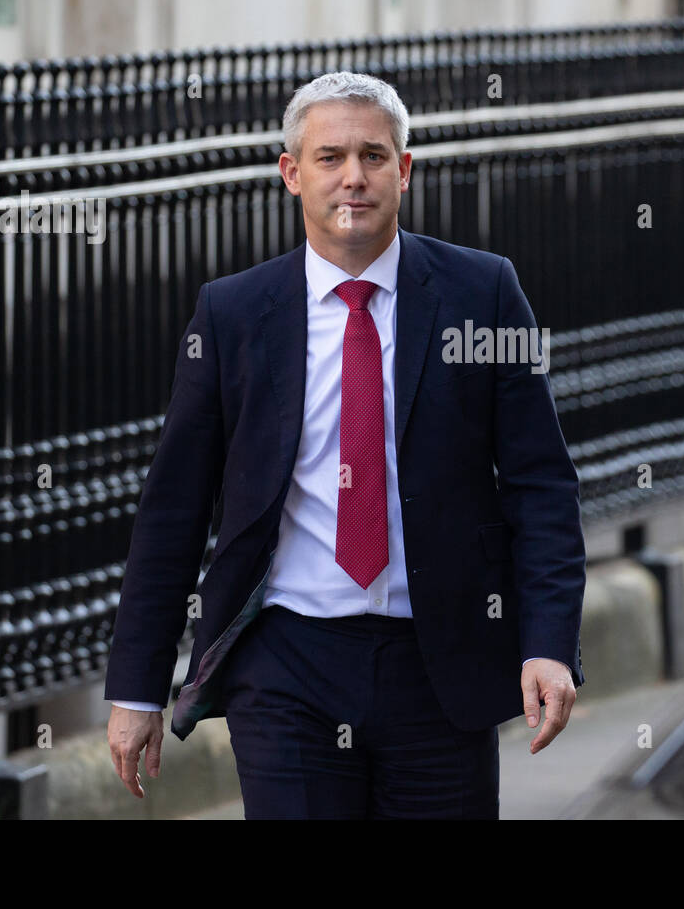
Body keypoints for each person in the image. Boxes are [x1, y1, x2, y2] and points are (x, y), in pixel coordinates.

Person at [103, 72, 586, 819]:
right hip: (287, 664)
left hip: (440, 665)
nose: (353, 177)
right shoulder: (232, 314)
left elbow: (541, 486)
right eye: (329, 158)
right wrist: (137, 685)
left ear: (405, 169)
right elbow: (174, 507)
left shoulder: (483, 293)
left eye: (373, 155)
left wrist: (547, 642)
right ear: (292, 173)